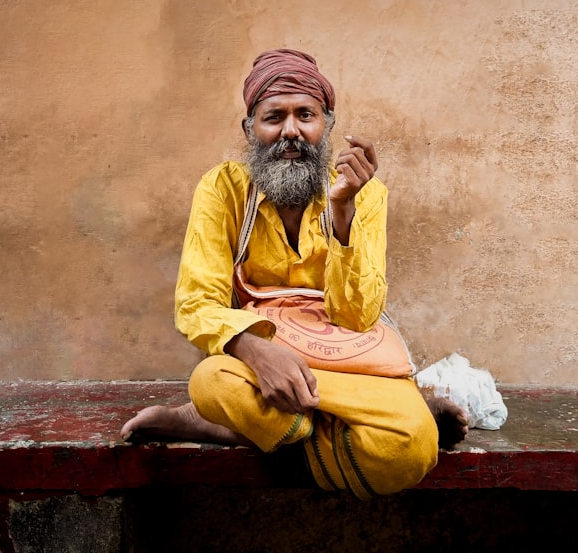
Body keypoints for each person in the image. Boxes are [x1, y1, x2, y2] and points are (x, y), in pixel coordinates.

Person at [121, 49, 467, 498]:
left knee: (413, 449)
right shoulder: (223, 189)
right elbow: (196, 304)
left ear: (327, 126)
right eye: (273, 118)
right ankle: (370, 415)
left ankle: (229, 429)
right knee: (211, 382)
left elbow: (358, 317)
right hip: (263, 356)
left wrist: (342, 212)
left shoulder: (366, 194)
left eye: (306, 115)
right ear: (249, 130)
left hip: (347, 358)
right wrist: (254, 350)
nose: (290, 131)